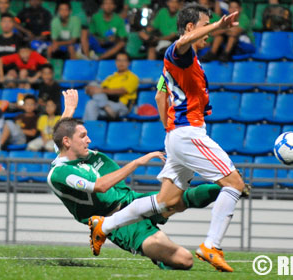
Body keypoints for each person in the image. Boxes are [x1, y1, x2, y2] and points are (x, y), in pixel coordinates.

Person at [89, 4, 245, 272]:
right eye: (206, 25)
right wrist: (220, 26)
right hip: (188, 132)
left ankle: (105, 225)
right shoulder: (178, 53)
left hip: (178, 134)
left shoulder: (186, 62)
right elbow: (182, 44)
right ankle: (212, 245)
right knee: (234, 184)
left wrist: (171, 130)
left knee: (166, 202)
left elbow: (160, 96)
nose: (209, 31)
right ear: (190, 27)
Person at [49, 89, 229, 270]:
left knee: (178, 199)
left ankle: (228, 188)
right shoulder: (60, 173)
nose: (88, 140)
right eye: (82, 136)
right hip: (115, 221)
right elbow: (101, 186)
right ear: (67, 142)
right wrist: (137, 162)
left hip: (130, 199)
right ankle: (158, 258)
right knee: (185, 260)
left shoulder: (72, 151)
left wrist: (69, 110)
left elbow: (60, 135)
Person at [83, 52, 139, 121]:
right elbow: (96, 90)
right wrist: (89, 89)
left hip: (121, 106)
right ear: (115, 62)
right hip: (108, 105)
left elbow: (122, 91)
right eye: (119, 60)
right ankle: (105, 108)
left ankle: (86, 128)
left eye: (124, 60)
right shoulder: (111, 77)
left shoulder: (133, 77)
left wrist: (101, 90)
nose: (121, 63)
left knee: (92, 102)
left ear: (129, 63)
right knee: (91, 98)